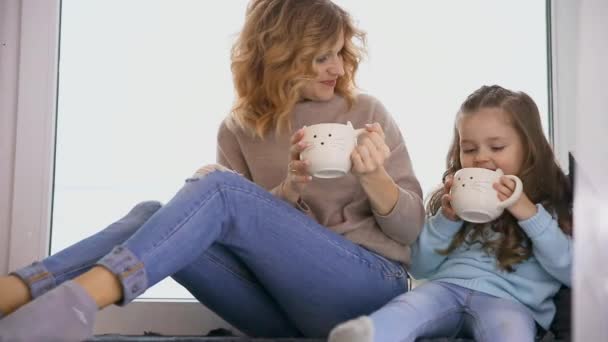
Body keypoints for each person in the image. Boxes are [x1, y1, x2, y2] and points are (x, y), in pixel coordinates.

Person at [0, 0, 425, 340]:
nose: (338, 68)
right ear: (280, 57)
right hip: (284, 316)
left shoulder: (365, 112)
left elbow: (410, 232)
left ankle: (75, 303)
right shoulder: (239, 129)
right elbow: (240, 232)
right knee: (153, 214)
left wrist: (375, 178)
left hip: (369, 293)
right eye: (321, 57)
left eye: (339, 53)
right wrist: (286, 193)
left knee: (219, 189)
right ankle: (13, 295)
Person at [328, 85, 573, 342]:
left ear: (529, 148)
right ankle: (370, 334)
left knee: (510, 330)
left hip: (510, 302)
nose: (480, 158)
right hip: (445, 289)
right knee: (408, 309)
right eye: (469, 149)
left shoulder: (550, 207)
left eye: (497, 147)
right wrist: (448, 220)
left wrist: (528, 213)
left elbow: (569, 270)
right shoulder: (453, 202)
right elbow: (421, 266)